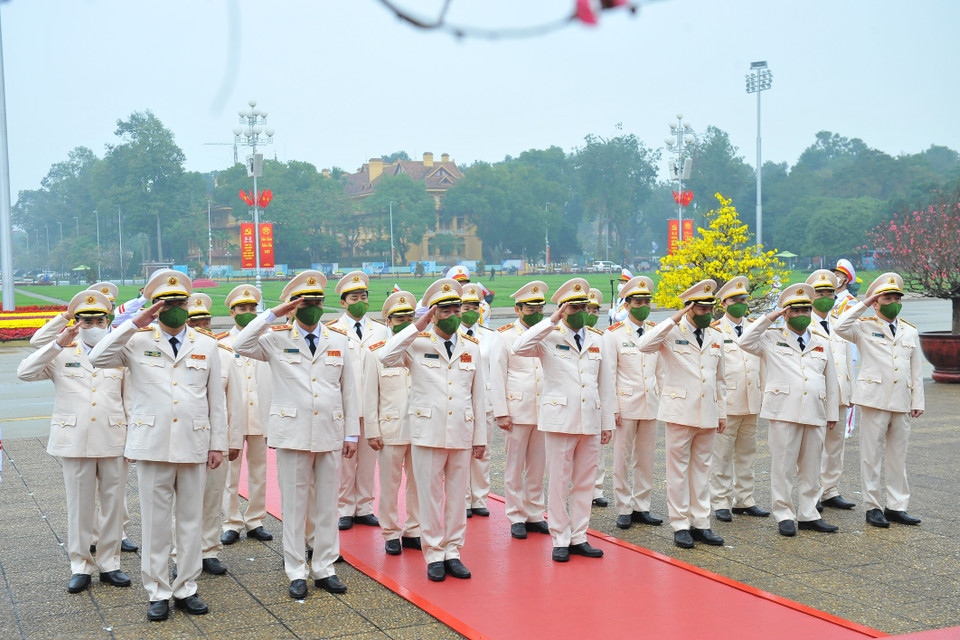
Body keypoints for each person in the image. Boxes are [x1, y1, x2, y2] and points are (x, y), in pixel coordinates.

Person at [89, 269, 227, 621]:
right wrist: (135, 321)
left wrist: (218, 445)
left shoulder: (206, 345)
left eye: (180, 302)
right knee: (155, 523)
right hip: (152, 444)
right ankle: (157, 591)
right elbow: (96, 356)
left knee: (191, 522)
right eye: (166, 303)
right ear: (155, 307)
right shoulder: (136, 340)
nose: (175, 309)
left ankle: (186, 588)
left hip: (195, 444)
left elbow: (216, 401)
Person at [232, 270, 359, 599]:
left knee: (328, 504)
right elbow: (240, 343)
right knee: (294, 503)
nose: (312, 307)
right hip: (292, 433)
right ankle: (296, 569)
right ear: (293, 306)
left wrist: (352, 434)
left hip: (330, 432)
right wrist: (275, 313)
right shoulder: (276, 339)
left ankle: (325, 566)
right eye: (305, 302)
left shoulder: (339, 341)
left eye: (317, 301)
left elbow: (349, 391)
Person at [17, 290, 132, 594]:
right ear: (77, 322)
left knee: (113, 506)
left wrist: (134, 440)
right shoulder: (62, 354)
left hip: (114, 438)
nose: (93, 323)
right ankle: (81, 564)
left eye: (99, 318)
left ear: (109, 320)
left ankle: (110, 563)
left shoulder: (121, 352)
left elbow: (130, 398)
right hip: (75, 440)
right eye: (86, 319)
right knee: (79, 507)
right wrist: (57, 341)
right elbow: (25, 372)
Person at [378, 278, 486, 582]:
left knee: (456, 495)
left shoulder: (471, 348)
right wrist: (417, 325)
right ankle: (434, 553)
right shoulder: (418, 344)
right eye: (445, 309)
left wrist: (480, 438)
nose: (452, 314)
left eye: (457, 308)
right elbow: (386, 357)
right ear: (433, 312)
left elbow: (478, 396)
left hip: (461, 432)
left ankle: (454, 551)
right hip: (427, 431)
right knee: (429, 496)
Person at [513, 277, 615, 563]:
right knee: (559, 480)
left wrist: (607, 423)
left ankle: (579, 535)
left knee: (585, 481)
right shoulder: (549, 336)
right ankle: (560, 536)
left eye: (585, 306)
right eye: (574, 307)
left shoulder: (598, 339)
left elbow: (605, 385)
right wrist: (552, 320)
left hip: (591, 419)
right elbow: (519, 347)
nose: (581, 311)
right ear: (562, 309)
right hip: (560, 419)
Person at [740, 283, 840, 537]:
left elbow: (831, 380)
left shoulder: (821, 342)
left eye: (806, 310)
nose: (802, 315)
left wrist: (832, 413)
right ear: (785, 313)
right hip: (783, 411)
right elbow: (744, 340)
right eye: (795, 310)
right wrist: (770, 317)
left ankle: (808, 513)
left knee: (811, 466)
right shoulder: (771, 338)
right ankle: (784, 513)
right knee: (783, 467)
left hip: (814, 411)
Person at [635, 279, 726, 549]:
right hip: (679, 411)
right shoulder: (671, 332)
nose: (708, 313)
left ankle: (701, 523)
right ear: (689, 309)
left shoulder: (716, 336)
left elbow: (720, 379)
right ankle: (680, 524)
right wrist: (674, 318)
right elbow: (643, 345)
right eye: (701, 309)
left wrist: (722, 412)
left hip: (708, 411)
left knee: (702, 470)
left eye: (711, 308)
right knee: (678, 471)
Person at [835, 272, 924, 528]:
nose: (894, 301)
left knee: (898, 456)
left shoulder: (909, 331)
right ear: (876, 301)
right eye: (887, 297)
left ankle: (897, 506)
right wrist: (864, 303)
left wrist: (918, 400)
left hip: (902, 400)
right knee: (871, 456)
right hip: (874, 399)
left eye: (897, 297)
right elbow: (840, 326)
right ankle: (872, 507)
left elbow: (915, 370)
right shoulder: (864, 326)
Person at [602, 276, 665, 530]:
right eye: (638, 302)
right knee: (622, 458)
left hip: (650, 403)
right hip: (625, 406)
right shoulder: (614, 335)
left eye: (647, 301)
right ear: (627, 305)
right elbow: (609, 375)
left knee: (646, 457)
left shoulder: (654, 331)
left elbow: (660, 371)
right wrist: (613, 408)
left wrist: (662, 400)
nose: (643, 306)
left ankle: (642, 506)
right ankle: (624, 507)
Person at [329, 271, 388, 531]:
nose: (360, 301)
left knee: (368, 461)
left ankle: (364, 506)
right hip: (344, 406)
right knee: (345, 461)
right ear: (343, 302)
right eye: (354, 297)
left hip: (373, 405)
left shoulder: (382, 330)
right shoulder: (332, 330)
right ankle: (345, 508)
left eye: (364, 296)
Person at [708, 276, 770, 522]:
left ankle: (745, 500)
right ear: (724, 304)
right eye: (735, 300)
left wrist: (764, 395)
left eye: (744, 299)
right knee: (721, 455)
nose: (741, 304)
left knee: (747, 453)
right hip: (728, 401)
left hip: (752, 399)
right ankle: (720, 501)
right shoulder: (714, 330)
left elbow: (763, 364)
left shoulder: (755, 327)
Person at [364, 291, 421, 555]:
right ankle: (390, 532)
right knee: (389, 484)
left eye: (410, 316)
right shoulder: (375, 353)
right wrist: (372, 431)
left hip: (421, 429)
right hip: (390, 429)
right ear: (388, 321)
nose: (406, 321)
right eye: (400, 318)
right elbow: (369, 395)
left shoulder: (424, 347)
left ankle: (414, 529)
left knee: (419, 482)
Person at [492, 281, 550, 540]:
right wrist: (501, 411)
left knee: (538, 466)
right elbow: (497, 375)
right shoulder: (504, 335)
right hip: (516, 410)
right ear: (518, 309)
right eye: (530, 308)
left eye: (540, 307)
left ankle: (535, 513)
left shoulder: (549, 332)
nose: (536, 312)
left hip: (544, 410)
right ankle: (516, 515)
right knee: (514, 467)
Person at [219, 285, 275, 546]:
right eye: (243, 309)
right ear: (232, 312)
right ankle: (231, 521)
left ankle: (256, 520)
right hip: (233, 418)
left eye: (253, 308)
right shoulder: (221, 344)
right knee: (230, 474)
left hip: (261, 415)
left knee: (259, 471)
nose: (248, 312)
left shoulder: (269, 338)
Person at [805, 270, 856, 511]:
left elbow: (847, 362)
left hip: (841, 394)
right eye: (820, 293)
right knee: (813, 447)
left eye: (830, 292)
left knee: (836, 446)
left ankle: (830, 490)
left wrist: (851, 391)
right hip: (818, 395)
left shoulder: (839, 326)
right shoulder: (805, 326)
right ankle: (811, 493)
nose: (826, 297)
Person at [459, 283, 504, 518]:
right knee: (461, 453)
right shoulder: (451, 335)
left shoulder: (490, 336)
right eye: (466, 306)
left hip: (484, 399)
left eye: (475, 306)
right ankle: (463, 499)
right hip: (460, 400)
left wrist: (498, 404)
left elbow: (496, 371)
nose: (471, 310)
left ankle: (479, 498)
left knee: (482, 451)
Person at [586, 287, 610, 507]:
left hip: (595, 402)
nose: (592, 314)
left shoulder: (601, 338)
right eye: (588, 309)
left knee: (597, 451)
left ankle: (596, 489)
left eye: (596, 310)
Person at [832, 258, 859, 438]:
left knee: (847, 389)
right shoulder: (830, 298)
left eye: (839, 275)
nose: (835, 278)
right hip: (832, 348)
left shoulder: (849, 301)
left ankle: (848, 427)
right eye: (834, 274)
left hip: (847, 349)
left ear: (846, 280)